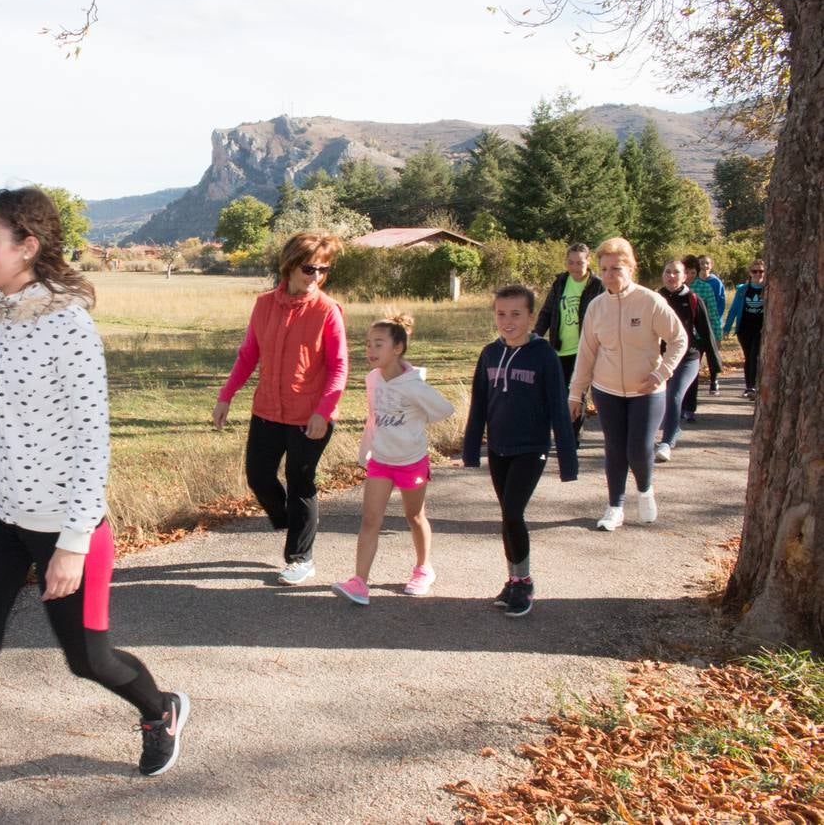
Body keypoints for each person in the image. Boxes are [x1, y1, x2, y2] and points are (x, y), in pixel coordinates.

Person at [0, 187, 188, 825]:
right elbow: (11, 422)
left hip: (63, 524)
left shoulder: (68, 325)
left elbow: (90, 437)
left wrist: (74, 541)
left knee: (88, 660)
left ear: (29, 245)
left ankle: (159, 709)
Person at [212, 232, 349, 586]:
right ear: (289, 265)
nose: (316, 275)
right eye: (309, 267)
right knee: (258, 477)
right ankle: (293, 521)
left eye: (323, 269)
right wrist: (226, 396)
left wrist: (325, 410)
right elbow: (248, 356)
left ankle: (300, 557)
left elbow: (338, 366)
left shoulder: (327, 310)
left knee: (300, 482)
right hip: (267, 411)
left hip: (310, 416)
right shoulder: (264, 305)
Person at [462, 285, 578, 618]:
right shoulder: (489, 354)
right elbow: (479, 404)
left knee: (513, 511)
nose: (508, 321)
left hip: (531, 447)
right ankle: (512, 579)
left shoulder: (544, 355)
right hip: (499, 447)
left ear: (530, 316)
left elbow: (557, 406)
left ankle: (524, 581)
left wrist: (567, 462)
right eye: (501, 314)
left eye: (516, 314)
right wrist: (472, 450)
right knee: (507, 516)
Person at [331, 314, 454, 604]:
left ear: (397, 348)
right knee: (370, 519)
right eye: (367, 344)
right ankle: (359, 582)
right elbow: (374, 418)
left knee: (414, 516)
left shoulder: (413, 385)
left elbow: (444, 410)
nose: (370, 351)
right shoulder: (373, 379)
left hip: (412, 462)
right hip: (381, 462)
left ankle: (424, 569)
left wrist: (415, 424)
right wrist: (366, 450)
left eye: (378, 344)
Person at [568, 238, 687, 531]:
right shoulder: (597, 307)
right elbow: (586, 353)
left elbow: (678, 339)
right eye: (605, 269)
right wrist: (575, 394)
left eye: (616, 268)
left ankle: (645, 491)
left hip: (646, 390)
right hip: (607, 390)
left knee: (638, 446)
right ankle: (615, 507)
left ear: (631, 268)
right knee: (615, 448)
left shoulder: (649, 301)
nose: (610, 275)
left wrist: (661, 374)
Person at [533, 242, 603, 442]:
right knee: (559, 393)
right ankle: (565, 433)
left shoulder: (597, 285)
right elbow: (547, 311)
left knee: (576, 393)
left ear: (588, 261)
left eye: (579, 262)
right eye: (570, 262)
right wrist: (537, 334)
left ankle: (571, 438)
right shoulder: (561, 282)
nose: (574, 267)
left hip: (585, 349)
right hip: (560, 348)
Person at [656, 259, 722, 462]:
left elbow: (706, 334)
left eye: (676, 272)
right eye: (668, 272)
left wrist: (714, 367)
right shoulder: (655, 298)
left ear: (685, 276)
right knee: (657, 398)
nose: (671, 276)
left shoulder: (693, 299)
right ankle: (671, 430)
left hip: (688, 358)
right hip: (660, 359)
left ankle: (666, 442)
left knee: (674, 394)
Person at [680, 253, 724, 416]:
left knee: (692, 371)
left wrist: (717, 336)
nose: (690, 276)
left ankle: (689, 408)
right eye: (687, 272)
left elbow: (712, 313)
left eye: (693, 272)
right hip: (679, 337)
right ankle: (679, 405)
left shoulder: (705, 288)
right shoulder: (676, 288)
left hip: (699, 337)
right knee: (678, 372)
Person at [723, 259, 767, 399]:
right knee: (749, 357)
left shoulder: (768, 288)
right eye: (754, 271)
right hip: (744, 328)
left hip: (761, 329)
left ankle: (754, 386)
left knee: (755, 355)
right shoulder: (743, 290)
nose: (758, 274)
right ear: (750, 272)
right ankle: (749, 386)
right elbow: (734, 309)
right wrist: (727, 328)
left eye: (761, 271)